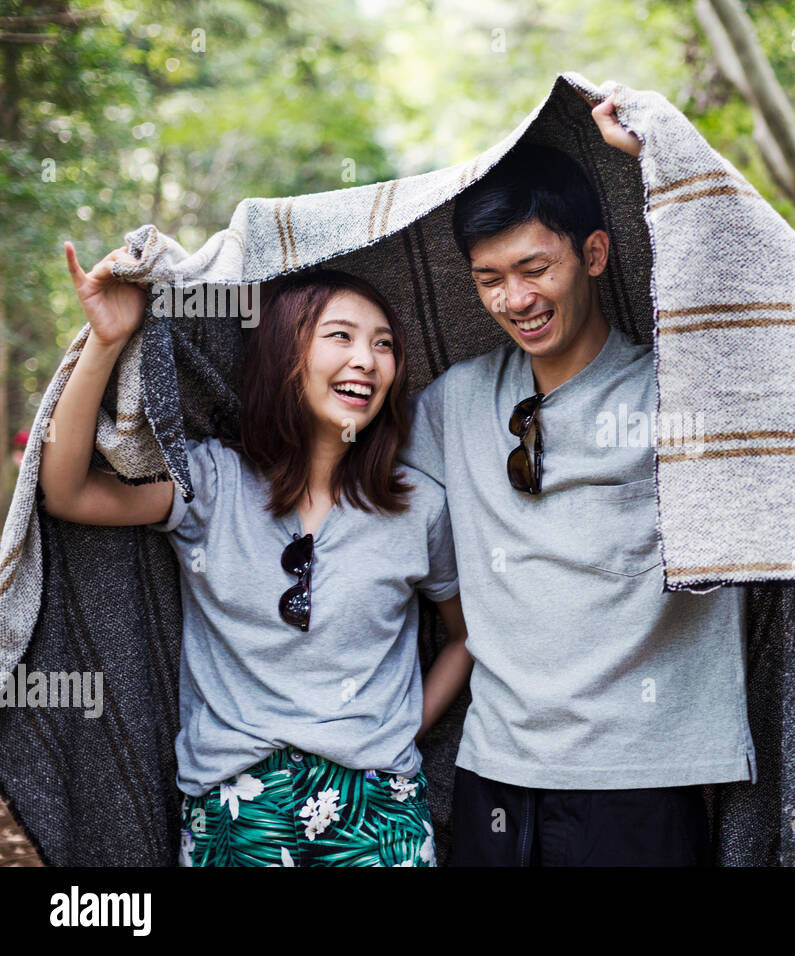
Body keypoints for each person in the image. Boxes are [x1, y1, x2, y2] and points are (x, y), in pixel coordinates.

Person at [397, 108, 756, 866]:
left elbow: (771, 321)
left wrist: (670, 161)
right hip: (494, 771)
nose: (514, 299)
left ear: (594, 253)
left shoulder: (681, 394)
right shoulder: (454, 404)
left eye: (535, 269)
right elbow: (356, 501)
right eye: (490, 279)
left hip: (643, 778)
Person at [38, 246, 471, 867]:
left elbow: (465, 636)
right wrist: (107, 342)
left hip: (379, 814)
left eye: (383, 345)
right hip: (234, 812)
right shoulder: (214, 484)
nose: (366, 360)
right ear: (285, 356)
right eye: (341, 336)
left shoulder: (419, 507)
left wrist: (403, 726)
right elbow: (66, 492)